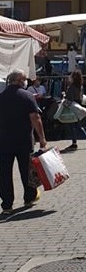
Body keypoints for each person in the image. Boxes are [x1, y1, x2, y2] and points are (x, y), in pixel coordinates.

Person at [0, 69, 46, 215]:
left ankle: (7, 204)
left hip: (3, 141)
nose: (26, 82)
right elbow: (35, 118)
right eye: (25, 79)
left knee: (4, 173)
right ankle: (29, 197)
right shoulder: (27, 96)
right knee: (26, 170)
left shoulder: (1, 96)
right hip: (24, 140)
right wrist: (42, 139)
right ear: (20, 81)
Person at [65, 70, 86, 150]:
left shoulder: (71, 87)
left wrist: (64, 95)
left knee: (73, 125)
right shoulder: (80, 86)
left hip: (73, 107)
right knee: (78, 125)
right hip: (79, 105)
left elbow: (69, 98)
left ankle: (75, 143)